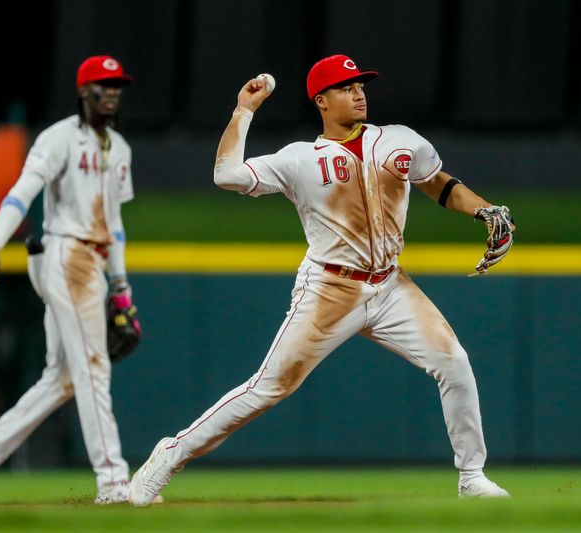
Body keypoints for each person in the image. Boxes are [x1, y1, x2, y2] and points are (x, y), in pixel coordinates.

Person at [129, 54, 512, 505]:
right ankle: (167, 457)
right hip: (330, 288)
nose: (359, 92)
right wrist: (243, 111)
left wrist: (483, 209)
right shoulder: (299, 158)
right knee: (269, 387)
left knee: (455, 364)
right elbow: (226, 175)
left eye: (361, 85)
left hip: (391, 285)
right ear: (321, 101)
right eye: (346, 87)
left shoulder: (399, 140)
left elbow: (438, 184)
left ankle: (471, 478)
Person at [0, 55, 139, 505]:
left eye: (117, 86)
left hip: (92, 260)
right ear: (82, 92)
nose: (112, 93)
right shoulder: (59, 138)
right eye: (102, 85)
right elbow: (21, 192)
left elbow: (114, 226)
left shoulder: (121, 149)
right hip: (64, 253)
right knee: (94, 367)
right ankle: (113, 481)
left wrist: (122, 291)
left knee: (64, 378)